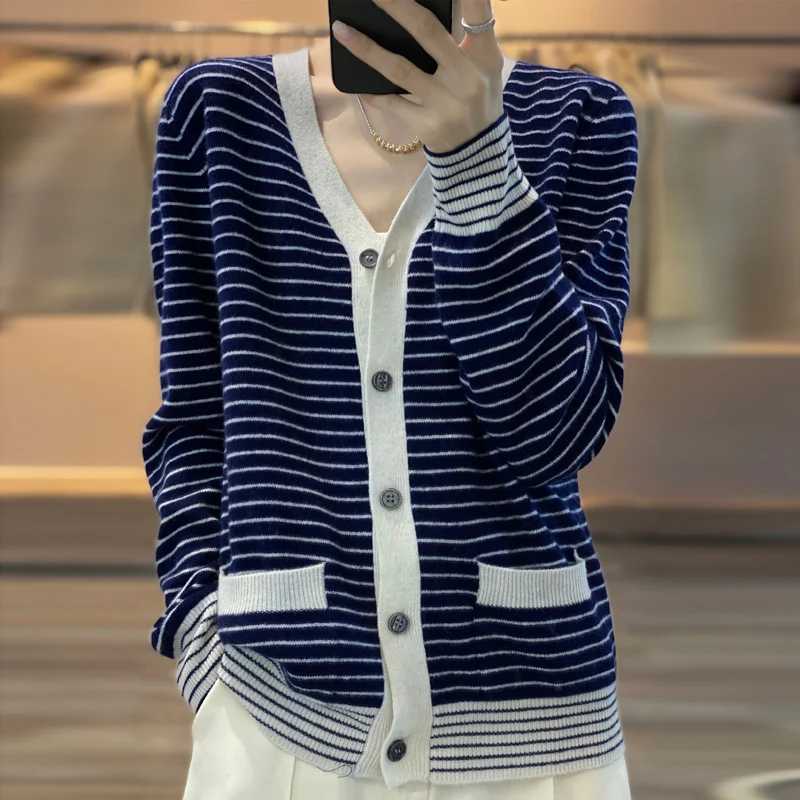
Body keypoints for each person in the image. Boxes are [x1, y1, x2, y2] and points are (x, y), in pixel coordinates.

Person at [141, 0, 639, 797]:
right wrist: (203, 630)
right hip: (273, 719)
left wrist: (479, 161)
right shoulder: (218, 113)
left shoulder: (580, 118)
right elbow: (196, 419)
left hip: (530, 730)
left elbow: (557, 436)